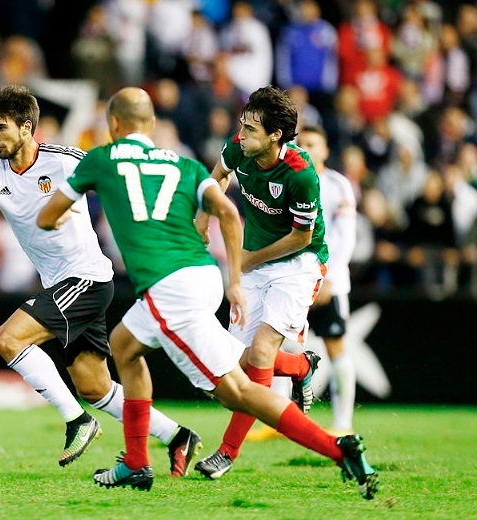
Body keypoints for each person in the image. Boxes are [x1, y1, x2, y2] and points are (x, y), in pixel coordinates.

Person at [37, 87, 378, 499]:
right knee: (124, 347)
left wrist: (239, 268)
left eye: (250, 127)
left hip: (213, 278)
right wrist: (233, 276)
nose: (241, 132)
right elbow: (228, 210)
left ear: (113, 125)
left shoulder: (101, 158)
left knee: (238, 391)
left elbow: (45, 218)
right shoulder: (184, 164)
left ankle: (337, 449)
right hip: (203, 274)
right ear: (151, 125)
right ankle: (137, 461)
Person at [0, 85, 202, 473]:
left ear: (27, 128)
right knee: (94, 386)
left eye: (1, 128)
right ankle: (178, 436)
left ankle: (77, 421)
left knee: (8, 339)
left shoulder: (63, 160)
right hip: (64, 284)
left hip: (87, 279)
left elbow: (115, 178)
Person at [191, 85, 329, 479]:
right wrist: (204, 216)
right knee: (233, 368)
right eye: (242, 124)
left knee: (262, 352)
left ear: (275, 136)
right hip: (252, 263)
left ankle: (227, 454)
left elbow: (302, 236)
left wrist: (247, 258)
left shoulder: (302, 175)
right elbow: (218, 175)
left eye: (251, 128)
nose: (241, 133)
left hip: (298, 263)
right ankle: (301, 367)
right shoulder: (241, 147)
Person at [250, 125, 359, 440]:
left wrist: (330, 277)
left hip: (329, 282)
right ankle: (279, 417)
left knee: (336, 346)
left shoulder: (338, 186)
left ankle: (343, 420)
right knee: (279, 342)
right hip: (292, 279)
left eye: (314, 143)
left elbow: (344, 238)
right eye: (302, 143)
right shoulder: (288, 179)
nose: (307, 148)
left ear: (325, 150)